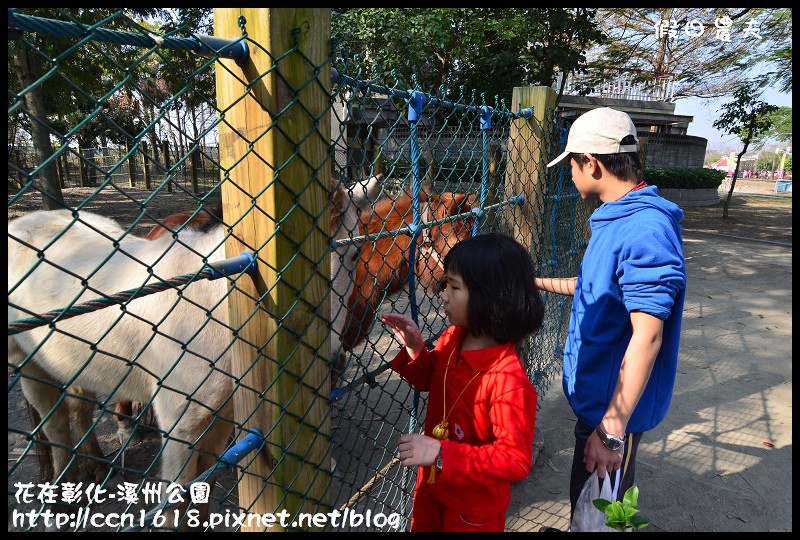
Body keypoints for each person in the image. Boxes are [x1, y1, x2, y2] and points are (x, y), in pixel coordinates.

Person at [539, 107, 687, 522]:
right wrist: (535, 282)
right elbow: (596, 285)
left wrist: (611, 431)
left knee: (599, 515)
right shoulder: (618, 219)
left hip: (611, 415)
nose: (570, 174)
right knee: (587, 504)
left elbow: (648, 335)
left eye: (571, 164)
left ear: (591, 163)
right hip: (599, 404)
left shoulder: (644, 230)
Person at [380, 232, 545, 532]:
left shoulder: (508, 381)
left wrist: (441, 453)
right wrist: (415, 347)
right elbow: (431, 380)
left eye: (454, 287)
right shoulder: (453, 338)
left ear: (490, 297)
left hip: (472, 511)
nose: (443, 294)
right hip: (432, 486)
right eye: (445, 284)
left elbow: (515, 459)